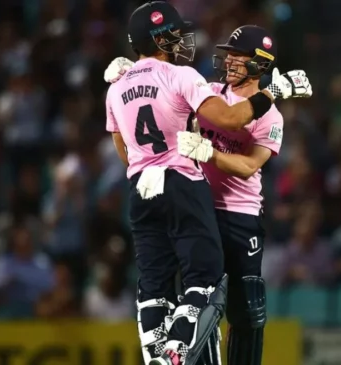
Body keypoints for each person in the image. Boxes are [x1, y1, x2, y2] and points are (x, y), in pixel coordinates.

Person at [104, 3, 313, 365]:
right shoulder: (207, 87)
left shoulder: (270, 115)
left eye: (239, 57)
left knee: (245, 309)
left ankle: (172, 352)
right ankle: (182, 355)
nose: (229, 62)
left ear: (261, 63)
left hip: (238, 211)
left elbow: (249, 166)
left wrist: (207, 153)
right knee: (202, 291)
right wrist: (139, 70)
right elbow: (177, 102)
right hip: (195, 199)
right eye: (229, 55)